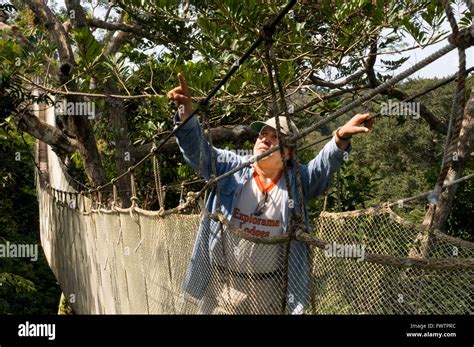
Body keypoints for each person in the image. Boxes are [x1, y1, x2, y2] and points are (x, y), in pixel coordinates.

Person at [168, 73, 374, 314]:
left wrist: (340, 137)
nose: (265, 139)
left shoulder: (297, 182)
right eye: (262, 135)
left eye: (275, 137)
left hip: (270, 289)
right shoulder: (230, 168)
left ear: (288, 153)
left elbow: (322, 166)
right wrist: (186, 115)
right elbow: (198, 151)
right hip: (222, 283)